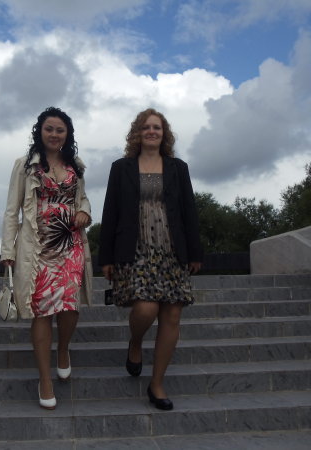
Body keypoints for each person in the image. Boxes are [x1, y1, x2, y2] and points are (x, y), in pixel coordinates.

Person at [98, 108, 202, 411]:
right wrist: (106, 257)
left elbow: (189, 210)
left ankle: (156, 384)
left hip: (172, 249)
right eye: (146, 127)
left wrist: (195, 252)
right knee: (145, 308)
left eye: (156, 127)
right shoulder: (122, 168)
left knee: (172, 316)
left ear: (164, 133)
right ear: (137, 133)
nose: (152, 131)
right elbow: (111, 211)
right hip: (136, 248)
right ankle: (135, 342)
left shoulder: (178, 168)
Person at [1, 107, 93, 410]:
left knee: (70, 308)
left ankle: (63, 348)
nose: (54, 134)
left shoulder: (76, 165)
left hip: (70, 244)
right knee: (41, 312)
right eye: (49, 129)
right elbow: (11, 210)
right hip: (37, 248)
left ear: (68, 135)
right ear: (39, 132)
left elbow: (82, 198)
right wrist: (7, 252)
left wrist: (84, 211)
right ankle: (44, 379)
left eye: (60, 130)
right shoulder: (25, 165)